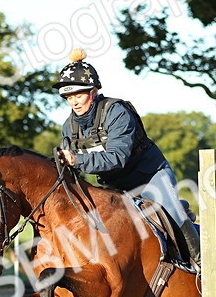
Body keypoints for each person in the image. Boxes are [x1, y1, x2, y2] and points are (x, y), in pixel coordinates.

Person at [53, 48, 203, 276]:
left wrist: (77, 159)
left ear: (93, 92)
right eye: (69, 97)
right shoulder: (69, 127)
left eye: (79, 95)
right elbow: (75, 171)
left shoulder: (117, 112)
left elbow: (117, 158)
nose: (74, 102)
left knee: (171, 210)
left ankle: (204, 263)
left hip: (149, 176)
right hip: (115, 186)